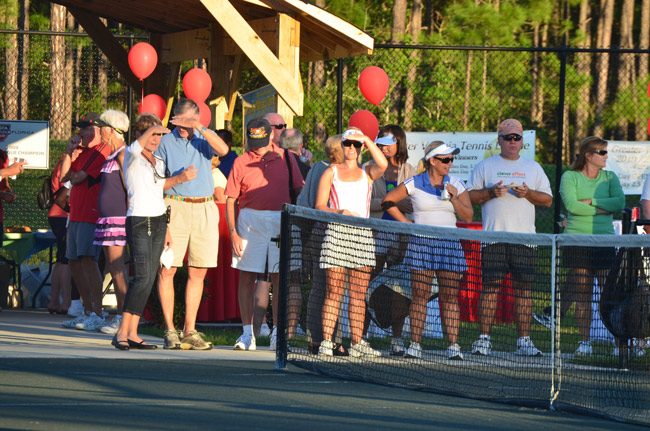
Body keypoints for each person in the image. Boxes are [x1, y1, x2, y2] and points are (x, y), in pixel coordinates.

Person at [468, 118, 552, 357]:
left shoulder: (533, 168)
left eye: (517, 137)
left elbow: (547, 200)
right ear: (500, 140)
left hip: (524, 240)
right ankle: (484, 339)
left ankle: (524, 341)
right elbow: (470, 198)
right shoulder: (485, 166)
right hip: (494, 238)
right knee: (490, 289)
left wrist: (528, 194)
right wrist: (490, 192)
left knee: (524, 290)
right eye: (508, 137)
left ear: (522, 141)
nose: (513, 142)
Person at [112, 114, 196, 350]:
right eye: (153, 134)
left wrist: (180, 179)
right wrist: (156, 127)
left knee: (149, 278)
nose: (156, 139)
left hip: (158, 219)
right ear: (141, 134)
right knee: (141, 277)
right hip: (139, 219)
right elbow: (136, 148)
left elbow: (159, 189)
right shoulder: (130, 155)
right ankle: (122, 331)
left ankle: (133, 332)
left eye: (160, 135)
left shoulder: (157, 161)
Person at [383, 141, 473, 360]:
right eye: (445, 159)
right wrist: (406, 223)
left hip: (449, 244)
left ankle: (453, 347)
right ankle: (415, 345)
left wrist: (454, 197)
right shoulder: (414, 182)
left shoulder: (456, 184)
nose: (449, 163)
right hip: (421, 244)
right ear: (432, 161)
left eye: (451, 159)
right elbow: (388, 201)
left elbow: (468, 216)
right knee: (420, 296)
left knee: (450, 297)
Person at [156, 98, 228, 350]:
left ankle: (190, 329)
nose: (183, 127)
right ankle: (169, 330)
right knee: (168, 269)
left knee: (198, 271)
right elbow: (155, 183)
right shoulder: (164, 142)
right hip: (174, 205)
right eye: (179, 121)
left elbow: (224, 151)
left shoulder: (202, 139)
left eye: (188, 121)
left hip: (205, 207)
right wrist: (179, 178)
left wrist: (199, 127)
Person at [226, 117, 304, 351]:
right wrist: (233, 234)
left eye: (261, 139)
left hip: (281, 220)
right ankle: (247, 334)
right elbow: (231, 199)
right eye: (253, 139)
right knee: (247, 277)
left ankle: (277, 335)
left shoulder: (288, 158)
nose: (257, 144)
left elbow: (299, 191)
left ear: (271, 135)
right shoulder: (241, 161)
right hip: (249, 220)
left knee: (280, 278)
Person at [315, 128, 387, 357]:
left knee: (358, 293)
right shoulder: (331, 172)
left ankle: (357, 342)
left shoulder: (368, 172)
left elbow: (383, 164)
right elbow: (319, 206)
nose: (352, 149)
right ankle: (327, 341)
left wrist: (366, 139)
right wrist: (339, 212)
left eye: (356, 145)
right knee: (333, 291)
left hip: (362, 237)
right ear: (342, 145)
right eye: (348, 144)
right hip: (336, 234)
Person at [559, 136, 625, 356]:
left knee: (610, 295)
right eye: (602, 152)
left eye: (606, 152)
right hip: (577, 242)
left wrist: (593, 202)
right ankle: (584, 342)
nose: (606, 156)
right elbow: (571, 206)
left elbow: (619, 203)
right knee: (582, 294)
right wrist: (601, 210)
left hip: (604, 241)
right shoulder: (569, 176)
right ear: (589, 155)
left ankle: (619, 343)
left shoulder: (610, 177)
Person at [59, 112, 114, 331]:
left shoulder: (101, 151)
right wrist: (68, 152)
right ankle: (87, 310)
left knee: (88, 260)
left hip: (91, 214)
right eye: (80, 127)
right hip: (76, 214)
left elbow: (79, 177)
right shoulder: (82, 153)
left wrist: (73, 174)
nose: (81, 132)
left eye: (86, 127)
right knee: (74, 261)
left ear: (99, 130)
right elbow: (64, 178)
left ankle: (97, 312)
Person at [365, 125, 415, 354]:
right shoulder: (368, 169)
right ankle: (361, 336)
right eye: (381, 142)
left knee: (400, 288)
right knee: (366, 282)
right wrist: (387, 202)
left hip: (402, 236)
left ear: (399, 144)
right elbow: (365, 202)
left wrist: (398, 204)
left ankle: (397, 339)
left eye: (389, 142)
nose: (384, 147)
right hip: (375, 234)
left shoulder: (410, 170)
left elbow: (415, 204)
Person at [297, 135, 348, 355]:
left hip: (323, 232)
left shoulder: (317, 167)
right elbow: (313, 204)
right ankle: (326, 340)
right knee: (327, 288)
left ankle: (319, 339)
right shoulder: (327, 171)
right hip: (326, 232)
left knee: (326, 288)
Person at [90, 110, 130, 335]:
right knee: (112, 268)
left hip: (118, 219)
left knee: (117, 268)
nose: (100, 131)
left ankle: (125, 316)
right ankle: (119, 312)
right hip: (107, 220)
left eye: (103, 127)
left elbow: (129, 188)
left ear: (113, 130)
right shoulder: (111, 155)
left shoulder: (124, 155)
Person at [46, 155, 74, 314]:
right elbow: (66, 187)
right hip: (63, 214)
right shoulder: (67, 161)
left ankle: (54, 301)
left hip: (56, 214)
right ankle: (66, 302)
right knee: (66, 260)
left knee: (61, 259)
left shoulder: (63, 159)